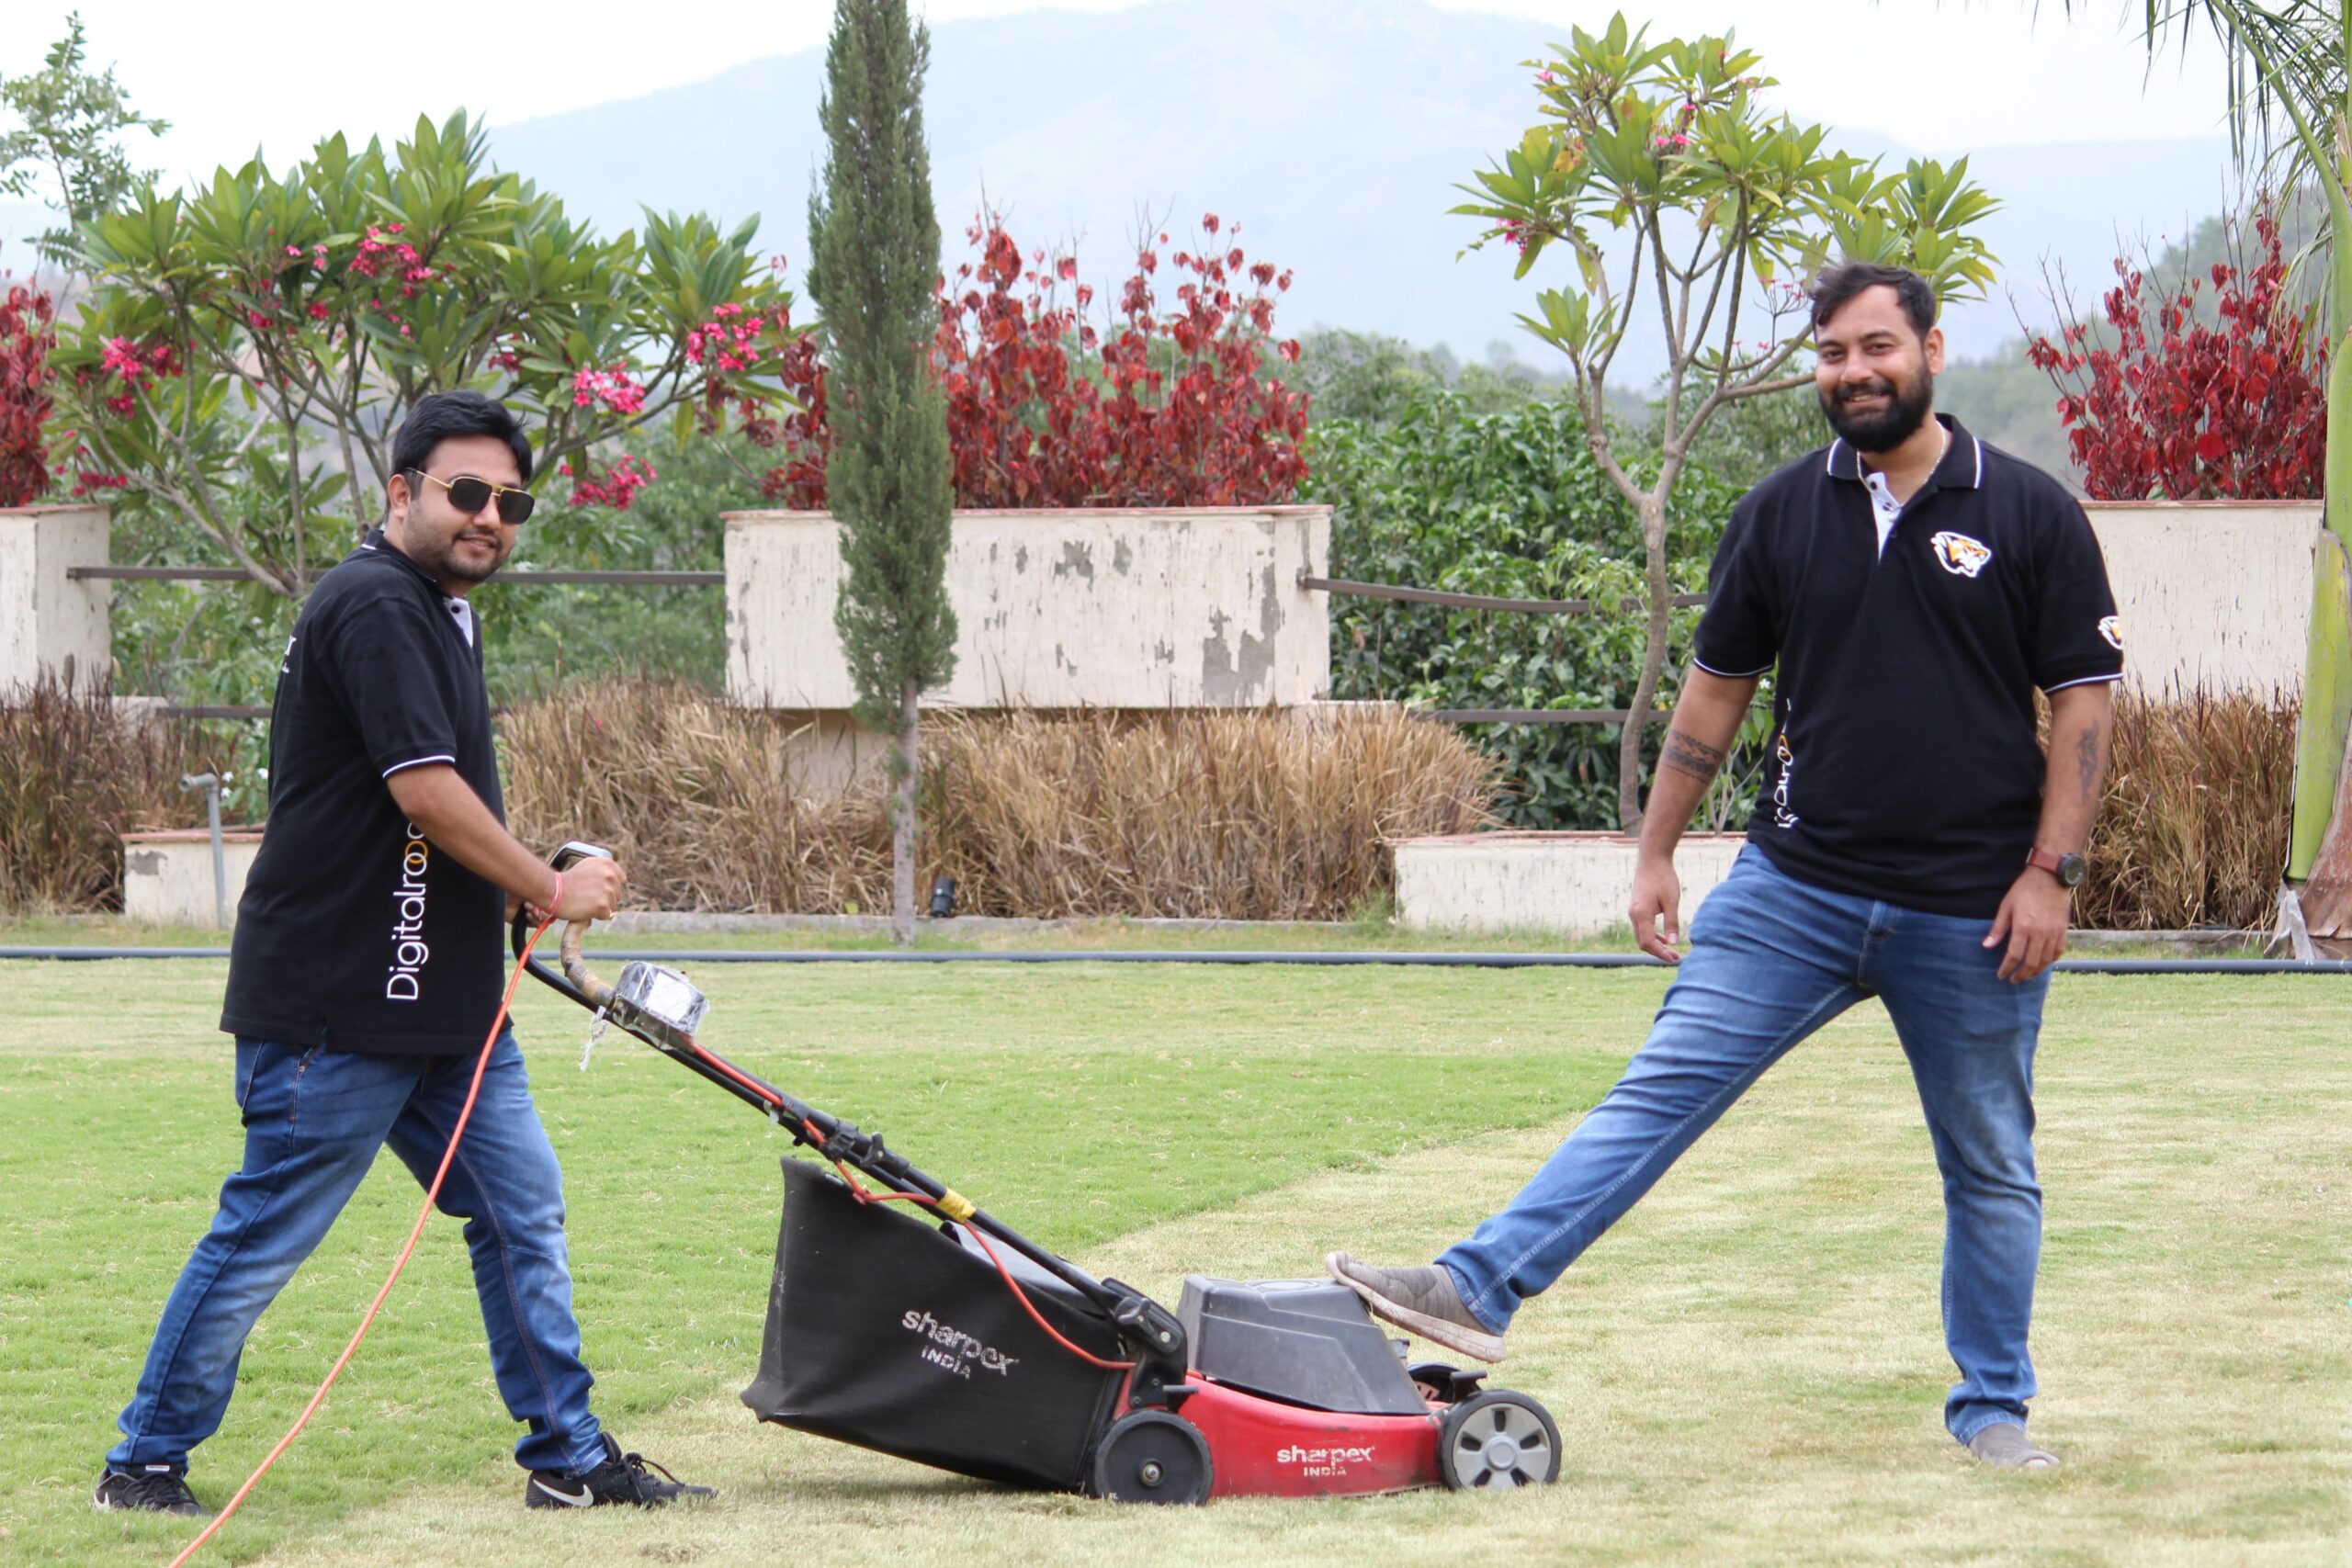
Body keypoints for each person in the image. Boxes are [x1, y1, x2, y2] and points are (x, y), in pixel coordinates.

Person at [1329, 262, 2125, 1472]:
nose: (1854, 372)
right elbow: (1715, 691)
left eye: (1876, 347)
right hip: (1792, 890)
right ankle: (1472, 1285)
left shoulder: (2028, 510)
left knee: (1989, 1165)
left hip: (1969, 909)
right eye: (1832, 354)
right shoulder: (1780, 511)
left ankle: (1994, 1410)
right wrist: (1653, 849)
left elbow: (2082, 705)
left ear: (1930, 350)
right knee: (1655, 1095)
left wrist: (2050, 871)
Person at [96, 391, 712, 1516]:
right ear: (400, 491)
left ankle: (570, 1463)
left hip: (446, 1008)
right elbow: (423, 790)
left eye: (511, 502)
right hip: (335, 1010)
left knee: (519, 1214)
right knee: (263, 1239)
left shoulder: (437, 610)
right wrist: (549, 888)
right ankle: (142, 1463)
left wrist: (514, 884)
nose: (489, 518)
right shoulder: (376, 601)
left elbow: (429, 808)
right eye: (465, 492)